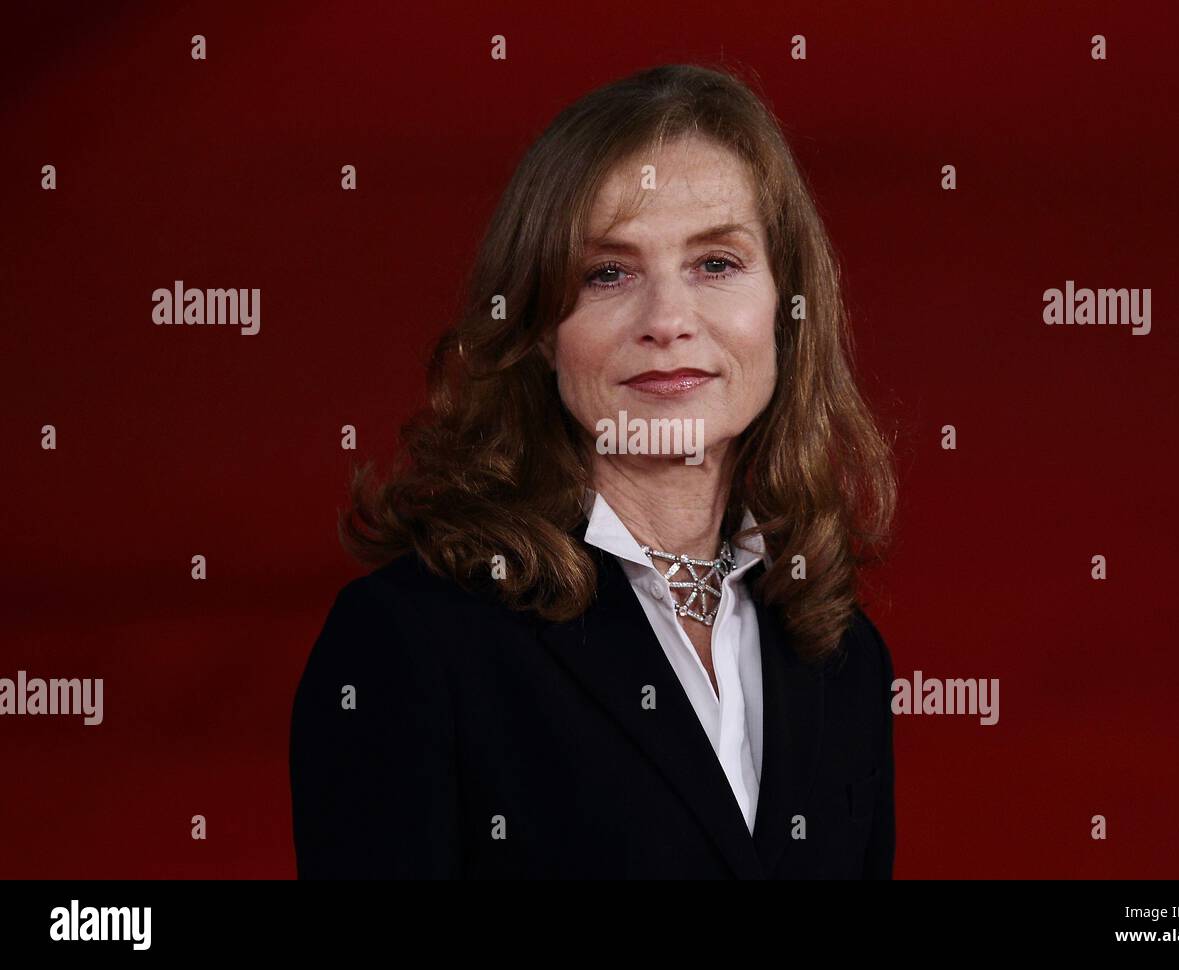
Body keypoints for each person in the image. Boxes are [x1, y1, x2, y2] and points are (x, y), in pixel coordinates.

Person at [289, 62, 899, 879]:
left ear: (789, 309)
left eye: (716, 264)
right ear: (539, 327)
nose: (669, 322)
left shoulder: (843, 657)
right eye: (607, 273)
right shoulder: (409, 644)